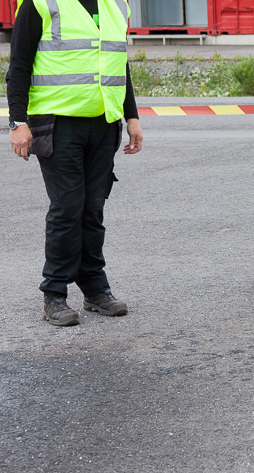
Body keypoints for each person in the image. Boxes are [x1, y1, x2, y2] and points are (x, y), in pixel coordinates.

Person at [7, 0, 143, 326]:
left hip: (104, 123)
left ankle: (95, 288)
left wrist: (132, 116)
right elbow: (19, 65)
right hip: (58, 123)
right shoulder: (41, 4)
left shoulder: (116, 4)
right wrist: (17, 122)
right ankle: (54, 293)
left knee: (93, 209)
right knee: (67, 208)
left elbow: (117, 64)